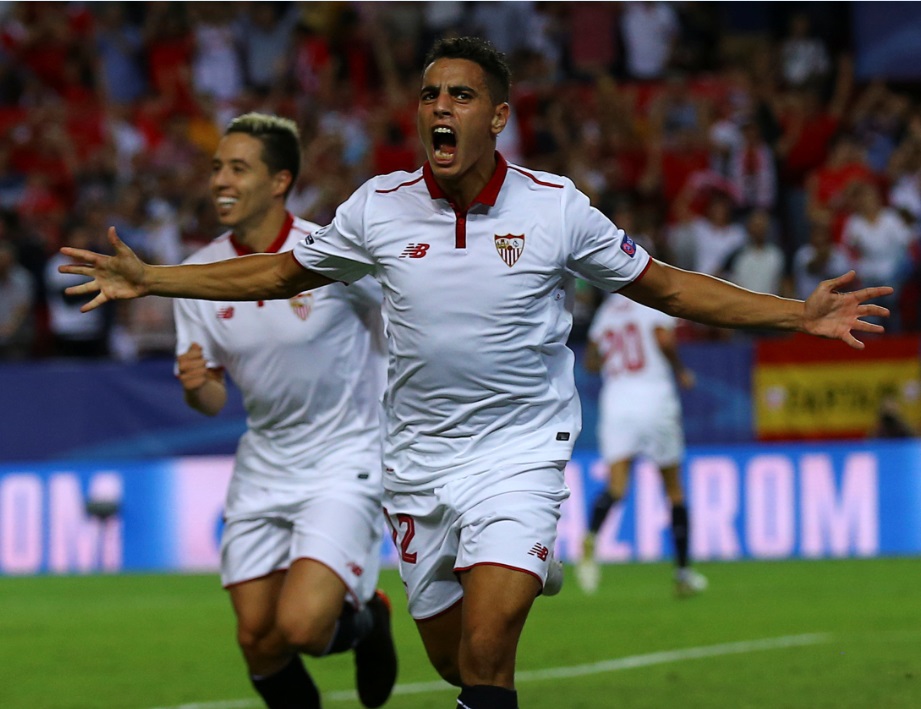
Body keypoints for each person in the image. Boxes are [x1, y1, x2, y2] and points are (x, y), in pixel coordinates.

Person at [60, 37, 892, 709]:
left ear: (497, 116)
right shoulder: (376, 207)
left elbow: (667, 285)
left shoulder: (555, 206)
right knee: (458, 663)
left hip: (520, 451)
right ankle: (511, 568)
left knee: (492, 657)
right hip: (415, 463)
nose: (439, 108)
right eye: (429, 95)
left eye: (459, 95)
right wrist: (154, 278)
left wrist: (795, 312)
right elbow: (277, 273)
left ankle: (521, 545)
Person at [175, 113, 396, 709]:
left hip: (344, 456)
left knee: (300, 628)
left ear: (279, 182)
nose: (220, 179)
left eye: (237, 168)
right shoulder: (198, 274)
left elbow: (397, 330)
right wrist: (197, 387)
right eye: (217, 166)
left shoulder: (331, 253)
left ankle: (370, 619)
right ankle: (361, 615)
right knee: (258, 639)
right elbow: (213, 395)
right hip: (265, 462)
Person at [576, 291, 707, 597]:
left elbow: (592, 362)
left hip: (618, 401)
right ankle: (683, 573)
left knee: (617, 487)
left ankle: (591, 535)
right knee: (673, 490)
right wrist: (681, 370)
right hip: (654, 396)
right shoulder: (652, 301)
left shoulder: (607, 310)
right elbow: (662, 339)